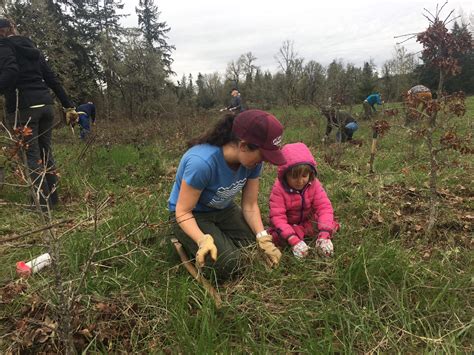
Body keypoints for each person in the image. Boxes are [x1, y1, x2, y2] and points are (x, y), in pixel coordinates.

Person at [168, 109, 286, 282]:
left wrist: (263, 237)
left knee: (254, 248)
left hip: (223, 208)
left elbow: (250, 205)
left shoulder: (252, 163)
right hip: (192, 214)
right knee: (228, 265)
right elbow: (183, 211)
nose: (264, 161)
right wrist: (202, 240)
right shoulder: (202, 163)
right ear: (244, 145)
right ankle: (184, 240)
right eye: (262, 156)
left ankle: (219, 238)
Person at [0, 18, 77, 209]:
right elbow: (51, 78)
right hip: (45, 105)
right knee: (46, 152)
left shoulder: (4, 47)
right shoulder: (32, 49)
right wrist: (68, 105)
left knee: (31, 156)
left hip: (24, 108)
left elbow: (10, 70)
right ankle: (52, 200)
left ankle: (41, 205)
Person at [268, 143, 338, 258]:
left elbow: (324, 207)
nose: (300, 181)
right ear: (285, 175)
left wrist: (324, 233)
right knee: (277, 235)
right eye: (294, 177)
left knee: (327, 223)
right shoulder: (279, 189)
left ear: (310, 174)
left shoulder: (314, 184)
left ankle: (321, 239)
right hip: (289, 224)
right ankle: (293, 237)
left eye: (304, 176)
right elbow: (277, 216)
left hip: (308, 220)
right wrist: (292, 239)